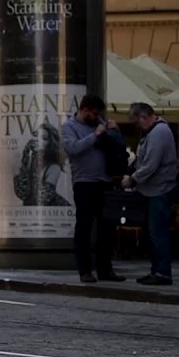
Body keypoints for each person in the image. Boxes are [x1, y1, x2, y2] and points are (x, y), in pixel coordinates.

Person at [60, 94, 124, 283]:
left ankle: (106, 269)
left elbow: (117, 149)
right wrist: (94, 135)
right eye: (94, 113)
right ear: (84, 110)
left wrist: (115, 132)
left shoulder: (100, 123)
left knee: (106, 228)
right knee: (85, 226)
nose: (97, 117)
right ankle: (85, 270)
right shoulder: (69, 127)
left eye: (98, 114)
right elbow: (73, 149)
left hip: (104, 181)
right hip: (84, 182)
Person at [122, 103, 177, 285]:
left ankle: (162, 272)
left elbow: (151, 164)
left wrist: (132, 179)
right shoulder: (152, 132)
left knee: (158, 232)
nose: (137, 125)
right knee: (153, 232)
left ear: (145, 117)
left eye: (137, 121)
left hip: (159, 189)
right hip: (153, 190)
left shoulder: (159, 132)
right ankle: (157, 270)